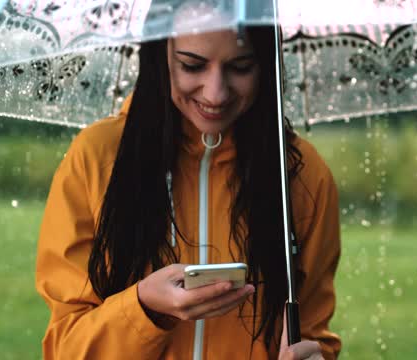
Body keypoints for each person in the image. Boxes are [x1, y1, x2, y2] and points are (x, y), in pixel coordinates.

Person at [34, 20, 341, 360]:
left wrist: (314, 357)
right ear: (158, 56)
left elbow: (312, 336)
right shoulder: (96, 158)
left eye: (241, 67)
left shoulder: (301, 175)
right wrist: (142, 307)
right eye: (192, 65)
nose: (215, 93)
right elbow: (65, 348)